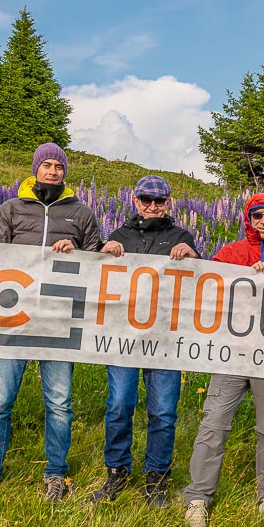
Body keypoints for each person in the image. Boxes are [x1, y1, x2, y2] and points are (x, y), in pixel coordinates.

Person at [0, 143, 102, 504]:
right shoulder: (10, 208)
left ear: (65, 172)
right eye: (48, 165)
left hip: (58, 321)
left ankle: (55, 474)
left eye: (59, 166)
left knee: (59, 403)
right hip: (12, 319)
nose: (54, 171)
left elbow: (98, 263)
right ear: (36, 169)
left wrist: (80, 254)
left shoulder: (82, 213)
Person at [183, 193, 264, 527]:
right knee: (213, 423)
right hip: (232, 352)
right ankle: (198, 497)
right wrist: (245, 273)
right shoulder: (230, 252)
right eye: (258, 216)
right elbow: (208, 286)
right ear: (249, 217)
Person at [94, 175, 200, 507]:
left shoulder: (182, 236)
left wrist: (194, 256)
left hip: (165, 339)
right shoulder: (120, 234)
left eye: (160, 200)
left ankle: (157, 477)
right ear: (135, 201)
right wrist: (103, 252)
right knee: (120, 405)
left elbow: (203, 286)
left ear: (169, 203)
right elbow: (100, 279)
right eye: (146, 200)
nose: (153, 206)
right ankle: (117, 471)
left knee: (164, 412)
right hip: (124, 336)